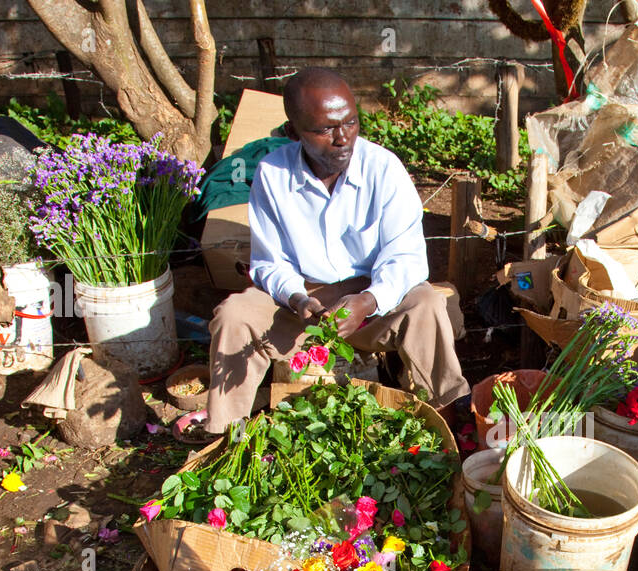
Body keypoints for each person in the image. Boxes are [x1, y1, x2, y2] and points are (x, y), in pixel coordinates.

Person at [201, 67, 470, 436]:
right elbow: (270, 262)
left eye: (350, 122)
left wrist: (367, 301)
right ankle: (224, 437)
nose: (343, 138)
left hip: (373, 301)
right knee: (234, 315)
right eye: (325, 129)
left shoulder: (383, 169)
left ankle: (447, 423)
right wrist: (296, 299)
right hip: (302, 307)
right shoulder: (272, 174)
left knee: (426, 304)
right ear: (294, 133)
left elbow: (405, 258)